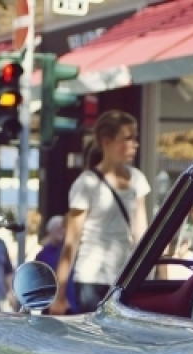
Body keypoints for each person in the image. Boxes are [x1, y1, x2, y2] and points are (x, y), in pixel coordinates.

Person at [48, 110, 149, 315]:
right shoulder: (87, 183)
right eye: (127, 138)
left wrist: (152, 276)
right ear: (107, 141)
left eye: (135, 138)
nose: (135, 144)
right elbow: (71, 243)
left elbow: (142, 236)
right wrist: (59, 296)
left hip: (126, 280)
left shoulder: (138, 180)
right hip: (92, 278)